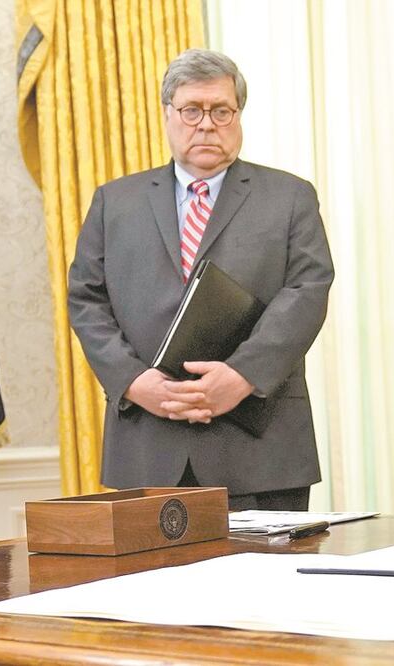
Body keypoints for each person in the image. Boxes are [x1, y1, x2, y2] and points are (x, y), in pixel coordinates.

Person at [68, 48, 333, 510]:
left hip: (259, 446)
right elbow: (86, 300)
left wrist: (243, 375)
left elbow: (307, 292)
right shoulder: (115, 202)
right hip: (148, 444)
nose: (206, 124)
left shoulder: (290, 197)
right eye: (192, 110)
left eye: (221, 111)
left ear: (239, 115)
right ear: (168, 114)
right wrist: (132, 381)